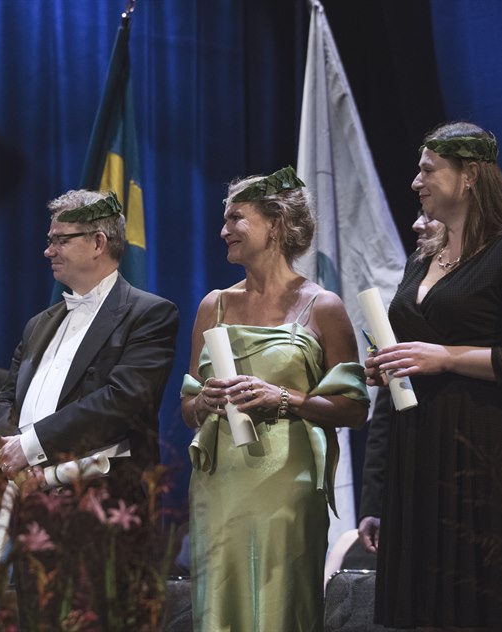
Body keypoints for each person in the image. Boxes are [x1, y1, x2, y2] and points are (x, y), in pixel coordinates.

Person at [365, 122, 502, 630]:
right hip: (418, 448)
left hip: (485, 446)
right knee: (428, 609)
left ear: (471, 175)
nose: (416, 182)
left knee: (482, 603)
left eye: (428, 170)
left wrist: (448, 357)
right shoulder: (423, 260)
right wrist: (390, 364)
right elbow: (417, 348)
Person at [180, 166, 370, 632]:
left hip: (288, 482)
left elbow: (354, 408)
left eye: (236, 218)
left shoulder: (322, 306)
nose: (224, 230)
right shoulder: (213, 305)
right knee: (218, 603)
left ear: (277, 224)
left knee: (280, 602)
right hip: (218, 483)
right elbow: (187, 409)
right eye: (224, 219)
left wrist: (283, 398)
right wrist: (205, 401)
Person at [0, 189, 179, 625]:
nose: (48, 250)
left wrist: (30, 446)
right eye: (49, 239)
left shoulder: (149, 314)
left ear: (98, 243)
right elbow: (5, 398)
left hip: (102, 511)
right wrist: (10, 453)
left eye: (60, 239)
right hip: (32, 506)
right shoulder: (39, 324)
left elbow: (124, 399)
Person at [358, 211, 502, 556]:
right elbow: (389, 407)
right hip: (420, 475)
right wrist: (375, 500)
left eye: (429, 214)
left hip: (498, 474)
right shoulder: (417, 273)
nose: (417, 224)